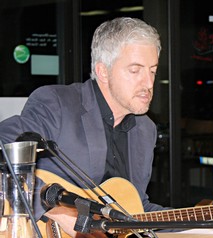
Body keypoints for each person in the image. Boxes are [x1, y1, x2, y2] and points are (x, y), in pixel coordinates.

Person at [0, 17, 165, 237]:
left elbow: (135, 209)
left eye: (152, 71)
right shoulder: (57, 104)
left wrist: (206, 219)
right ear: (103, 72)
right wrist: (56, 210)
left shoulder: (145, 130)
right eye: (135, 71)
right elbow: (3, 152)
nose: (148, 83)